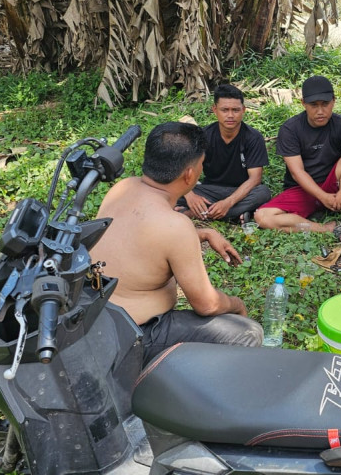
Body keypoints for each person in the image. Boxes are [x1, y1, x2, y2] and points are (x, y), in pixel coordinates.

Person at [93, 122, 263, 362]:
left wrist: (203, 233)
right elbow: (207, 305)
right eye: (201, 164)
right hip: (135, 335)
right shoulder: (175, 226)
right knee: (248, 333)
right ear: (190, 173)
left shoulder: (122, 188)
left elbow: (145, 238)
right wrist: (236, 304)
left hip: (96, 319)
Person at [254, 75, 341, 237]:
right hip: (302, 189)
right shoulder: (290, 129)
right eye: (314, 105)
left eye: (325, 104)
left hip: (332, 184)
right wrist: (323, 197)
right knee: (262, 217)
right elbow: (297, 172)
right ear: (303, 104)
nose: (320, 111)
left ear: (333, 101)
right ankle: (324, 228)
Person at [177, 84, 271, 223]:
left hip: (241, 191)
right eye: (225, 110)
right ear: (215, 110)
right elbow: (183, 169)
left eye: (235, 110)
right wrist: (190, 196)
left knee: (263, 193)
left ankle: (195, 213)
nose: (230, 115)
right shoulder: (204, 136)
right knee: (170, 191)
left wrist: (228, 202)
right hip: (210, 190)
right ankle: (237, 214)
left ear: (243, 110)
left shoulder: (253, 137)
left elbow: (255, 179)